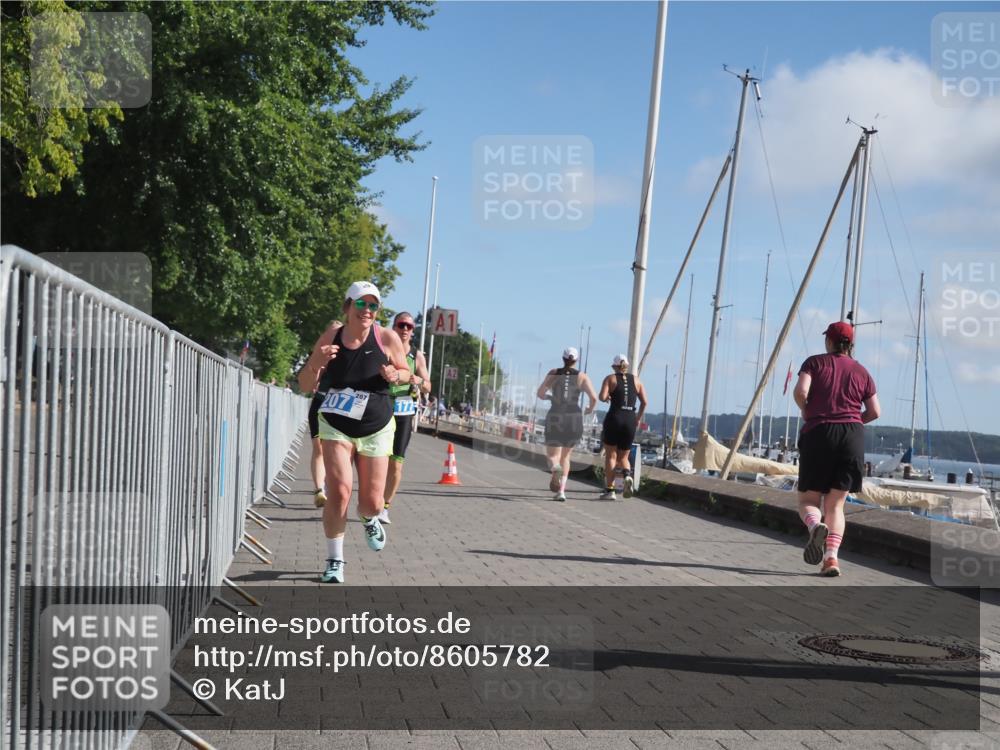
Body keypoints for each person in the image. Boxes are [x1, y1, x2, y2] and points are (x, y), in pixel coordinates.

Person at [300, 281, 412, 584]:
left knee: (373, 502)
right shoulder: (331, 336)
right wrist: (317, 363)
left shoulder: (386, 337)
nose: (368, 311)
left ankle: (368, 519)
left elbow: (406, 374)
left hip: (376, 425)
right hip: (336, 424)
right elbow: (305, 384)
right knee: (339, 492)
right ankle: (334, 560)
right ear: (348, 307)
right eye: (361, 304)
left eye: (373, 305)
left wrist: (394, 374)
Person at [793, 321, 880, 577]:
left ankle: (814, 526)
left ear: (828, 341)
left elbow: (801, 391)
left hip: (820, 432)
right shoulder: (862, 371)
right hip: (852, 436)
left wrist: (806, 409)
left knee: (808, 500)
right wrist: (853, 421)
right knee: (836, 505)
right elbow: (875, 411)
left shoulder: (814, 363)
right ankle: (831, 559)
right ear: (851, 345)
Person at [381, 311, 431, 524]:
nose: (404, 330)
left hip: (404, 412)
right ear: (394, 327)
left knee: (396, 463)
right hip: (382, 408)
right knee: (376, 459)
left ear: (413, 331)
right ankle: (371, 498)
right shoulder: (384, 350)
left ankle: (384, 506)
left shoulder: (417, 356)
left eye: (409, 326)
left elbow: (428, 386)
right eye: (401, 325)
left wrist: (418, 381)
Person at [536, 347, 597, 501]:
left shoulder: (554, 373)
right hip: (574, 417)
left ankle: (555, 468)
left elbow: (540, 393)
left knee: (553, 455)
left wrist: (550, 398)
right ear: (576, 360)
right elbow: (594, 398)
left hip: (556, 414)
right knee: (566, 457)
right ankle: (561, 491)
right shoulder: (582, 377)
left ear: (563, 358)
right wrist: (589, 409)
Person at [298, 319, 343, 508]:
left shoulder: (348, 354)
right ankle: (319, 490)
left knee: (336, 450)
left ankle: (334, 488)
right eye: (331, 335)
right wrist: (317, 367)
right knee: (318, 448)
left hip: (340, 408)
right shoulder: (319, 355)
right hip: (320, 402)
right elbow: (307, 383)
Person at [598, 354, 648, 500]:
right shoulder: (637, 381)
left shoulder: (610, 379)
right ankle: (627, 475)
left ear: (614, 366)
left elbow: (602, 397)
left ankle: (610, 490)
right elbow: (645, 402)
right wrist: (637, 419)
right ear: (626, 366)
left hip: (614, 417)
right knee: (624, 456)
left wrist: (608, 397)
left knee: (611, 456)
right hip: (630, 419)